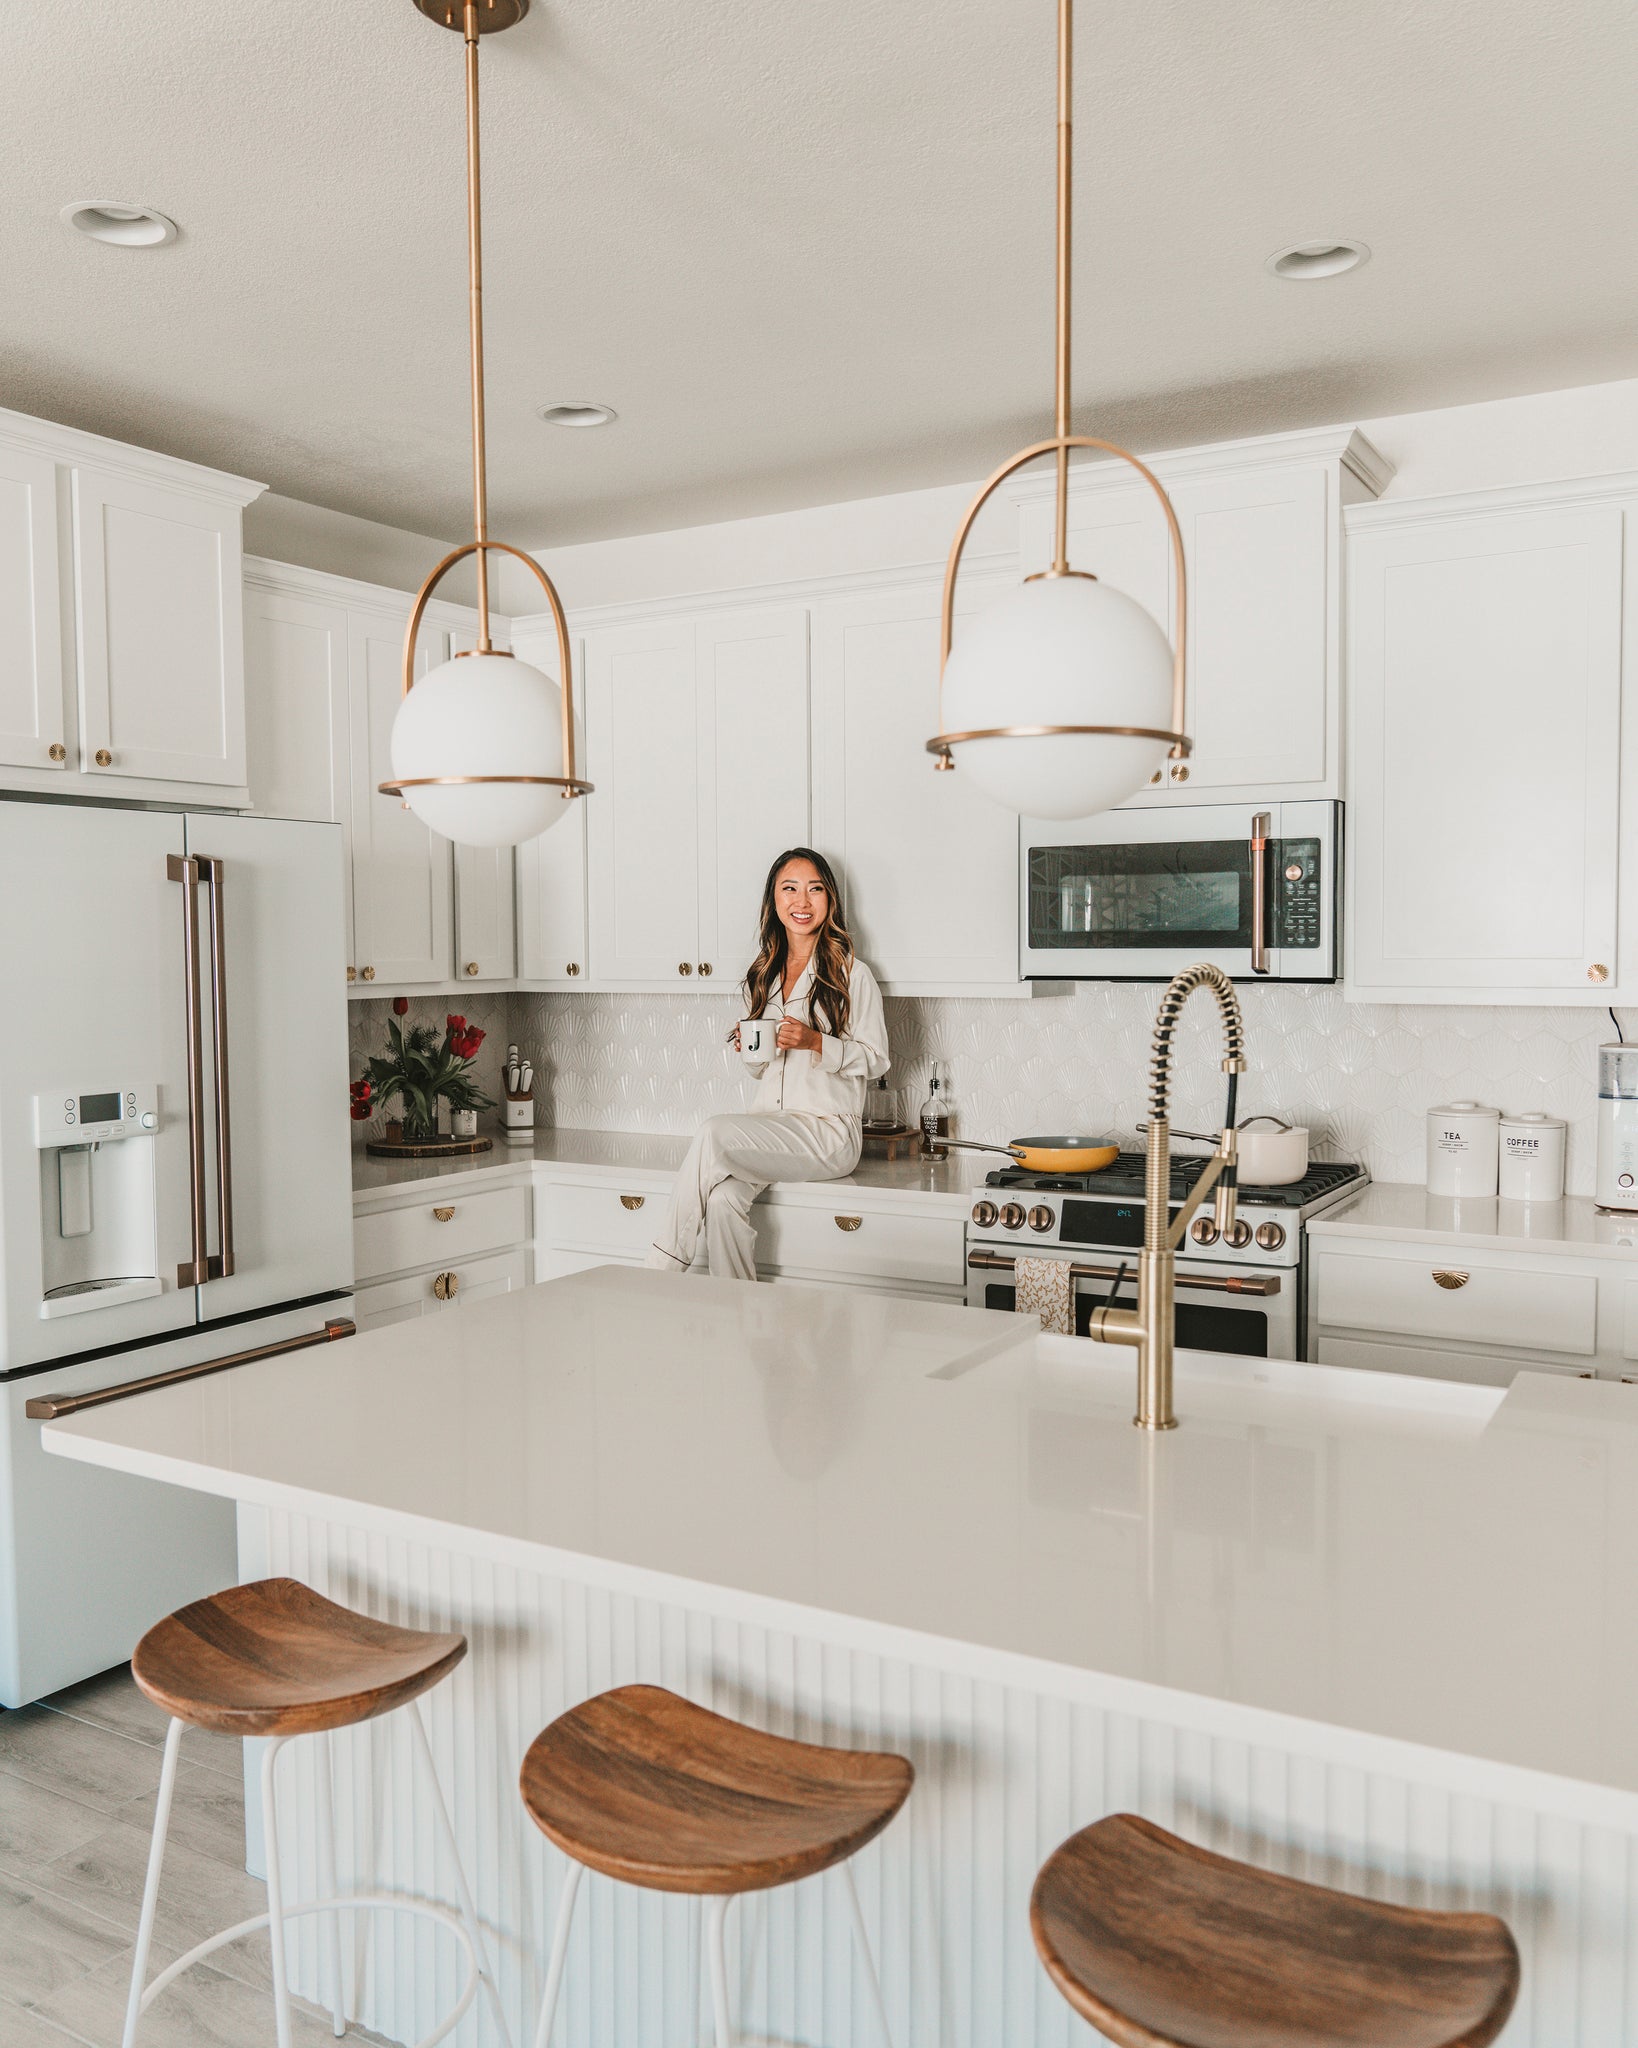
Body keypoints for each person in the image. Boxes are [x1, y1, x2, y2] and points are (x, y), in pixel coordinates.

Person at [645, 847, 889, 1279]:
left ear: (829, 899)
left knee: (712, 1132)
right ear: (773, 901)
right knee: (722, 1202)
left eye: (814, 889)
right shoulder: (763, 974)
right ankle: (741, 1312)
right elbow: (762, 1072)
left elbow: (876, 1060)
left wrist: (817, 1042)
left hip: (826, 1132)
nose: (802, 901)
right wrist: (751, 1049)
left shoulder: (853, 974)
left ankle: (659, 1269)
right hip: (770, 1127)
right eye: (789, 889)